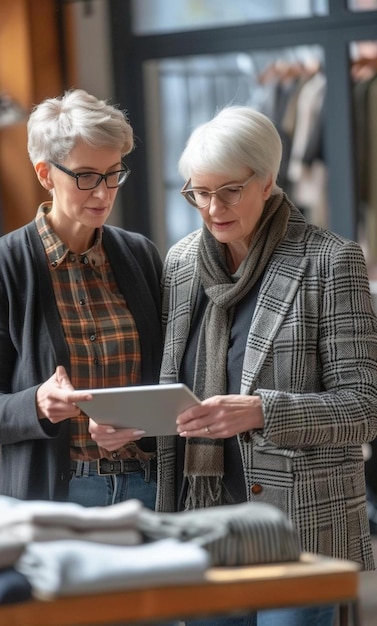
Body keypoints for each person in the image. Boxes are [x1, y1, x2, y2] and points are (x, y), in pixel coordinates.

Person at [155, 106, 377, 626]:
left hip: (300, 530)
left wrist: (262, 411)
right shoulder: (182, 263)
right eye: (198, 193)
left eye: (228, 190)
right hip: (204, 526)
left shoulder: (331, 261)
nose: (212, 208)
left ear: (268, 180)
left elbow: (364, 407)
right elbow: (173, 391)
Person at [0, 89, 163, 509]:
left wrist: (140, 425)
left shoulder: (140, 255)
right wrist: (36, 403)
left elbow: (168, 378)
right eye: (86, 176)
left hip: (150, 489)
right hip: (60, 496)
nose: (104, 193)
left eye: (113, 174)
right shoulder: (3, 265)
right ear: (45, 174)